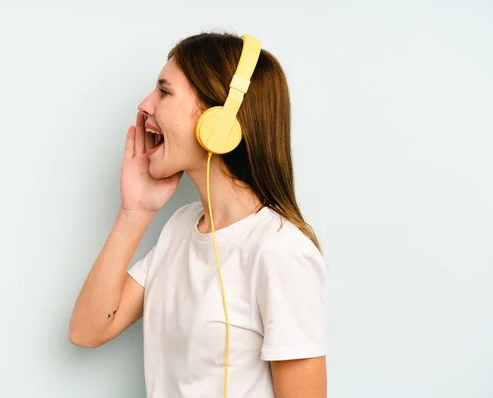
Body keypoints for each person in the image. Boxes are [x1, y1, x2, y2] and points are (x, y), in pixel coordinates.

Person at [69, 32, 329, 398]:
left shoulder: (280, 251)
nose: (145, 105)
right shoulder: (180, 228)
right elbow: (88, 330)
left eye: (164, 91)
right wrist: (135, 211)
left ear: (218, 120)